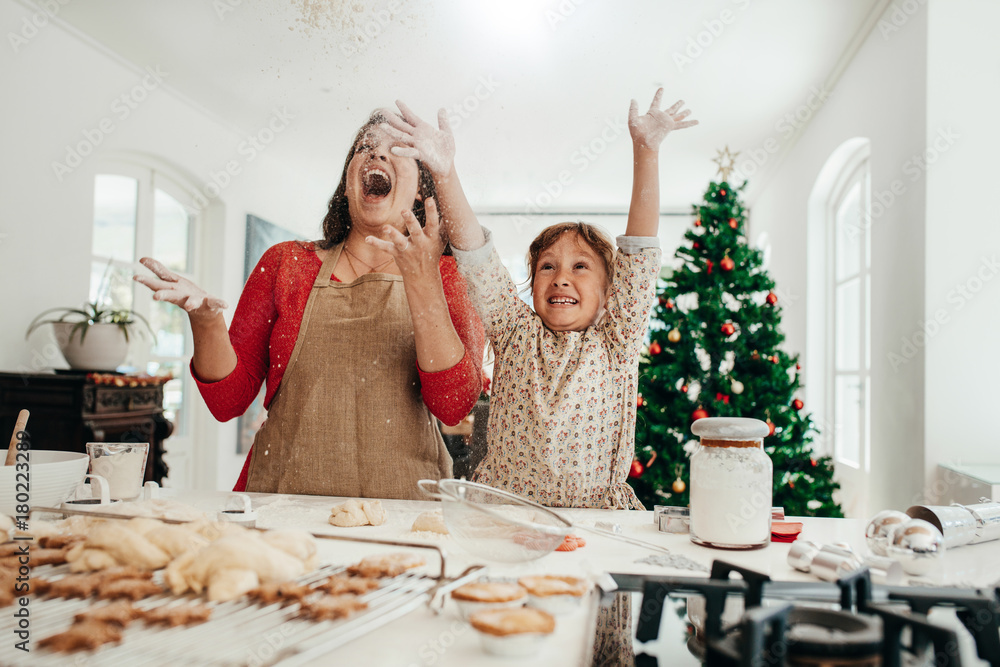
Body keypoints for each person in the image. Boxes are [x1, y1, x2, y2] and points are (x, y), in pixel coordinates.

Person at [135, 110, 485, 499]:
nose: (376, 156)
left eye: (396, 149)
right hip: (284, 501)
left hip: (403, 511)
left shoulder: (449, 277)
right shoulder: (287, 264)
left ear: (421, 190)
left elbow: (454, 405)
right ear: (347, 184)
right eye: (365, 148)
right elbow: (227, 401)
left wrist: (423, 283)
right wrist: (206, 322)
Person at [379, 90, 696, 509]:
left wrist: (646, 151)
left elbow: (639, 251)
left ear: (610, 295)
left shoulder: (616, 341)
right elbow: (476, 256)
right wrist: (445, 172)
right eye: (548, 267)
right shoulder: (514, 329)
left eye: (580, 267)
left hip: (595, 520)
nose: (561, 278)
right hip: (506, 516)